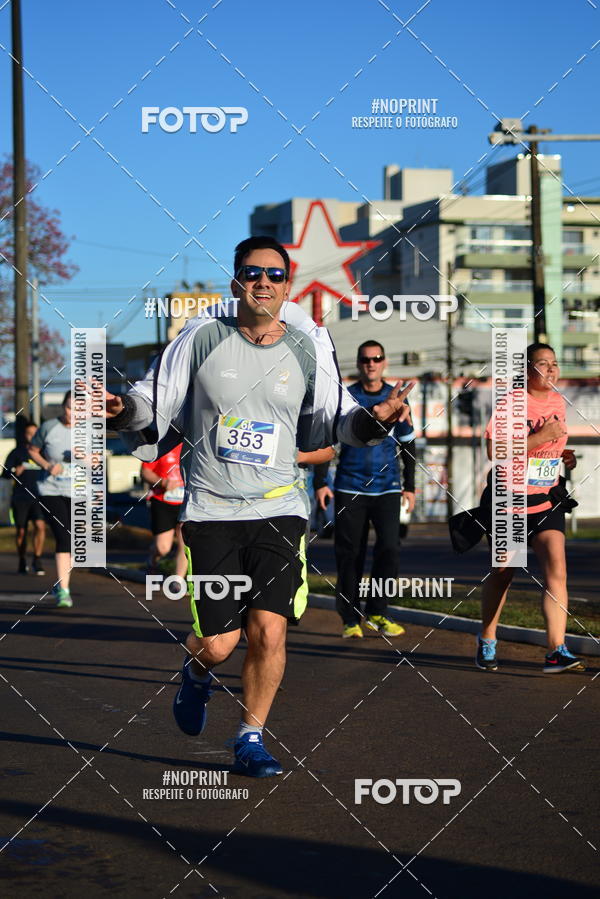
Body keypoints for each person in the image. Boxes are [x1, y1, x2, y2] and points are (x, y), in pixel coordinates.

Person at [102, 236, 413, 777]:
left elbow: (339, 419)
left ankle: (250, 737)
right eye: (252, 272)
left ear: (287, 285)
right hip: (212, 512)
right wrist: (122, 408)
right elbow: (154, 401)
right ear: (237, 282)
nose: (263, 282)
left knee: (269, 630)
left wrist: (378, 417)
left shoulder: (305, 345)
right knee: (220, 644)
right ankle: (197, 673)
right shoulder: (201, 337)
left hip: (279, 507)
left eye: (274, 274)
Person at [477, 343, 584, 674]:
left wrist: (562, 455)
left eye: (554, 363)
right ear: (526, 371)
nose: (551, 370)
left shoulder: (557, 401)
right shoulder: (512, 403)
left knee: (557, 569)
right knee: (503, 573)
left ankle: (556, 650)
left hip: (546, 498)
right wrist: (541, 438)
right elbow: (495, 449)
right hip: (510, 499)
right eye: (542, 364)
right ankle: (487, 639)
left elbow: (548, 447)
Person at [315, 341, 416, 639]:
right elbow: (328, 441)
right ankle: (349, 618)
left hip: (387, 489)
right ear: (359, 364)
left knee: (389, 550)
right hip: (349, 487)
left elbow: (408, 444)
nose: (371, 363)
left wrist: (410, 486)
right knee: (350, 554)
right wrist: (321, 482)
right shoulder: (347, 396)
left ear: (384, 363)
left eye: (377, 359)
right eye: (365, 359)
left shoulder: (395, 398)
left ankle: (378, 612)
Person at [28, 391, 75, 607]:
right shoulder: (49, 427)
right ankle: (64, 590)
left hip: (78, 491)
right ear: (63, 407)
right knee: (64, 537)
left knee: (76, 542)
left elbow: (97, 462)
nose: (72, 413)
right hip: (51, 490)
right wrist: (47, 466)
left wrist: (87, 458)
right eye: (68, 407)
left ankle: (61, 582)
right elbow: (33, 450)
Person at [2, 421, 46, 574]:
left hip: (40, 496)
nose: (32, 436)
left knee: (40, 526)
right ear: (25, 435)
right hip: (20, 497)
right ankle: (22, 559)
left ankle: (37, 560)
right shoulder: (17, 452)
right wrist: (15, 470)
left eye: (35, 433)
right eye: (29, 433)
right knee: (21, 531)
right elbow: (5, 473)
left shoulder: (43, 451)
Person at [140, 444, 188, 580]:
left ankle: (178, 580)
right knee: (163, 548)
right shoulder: (159, 445)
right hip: (162, 501)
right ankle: (152, 559)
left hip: (185, 502)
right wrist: (163, 482)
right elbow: (145, 472)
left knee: (184, 544)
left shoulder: (191, 444)